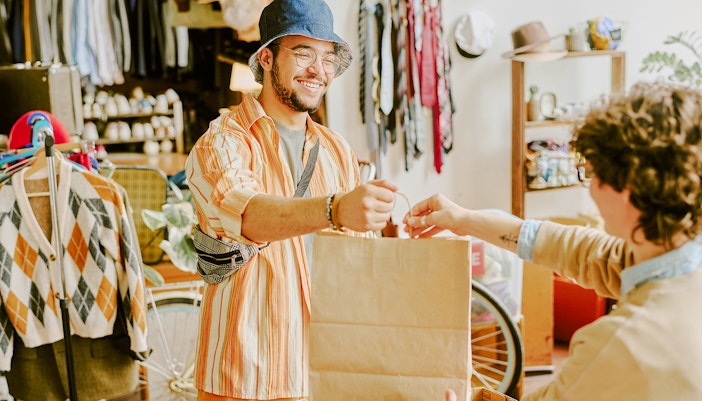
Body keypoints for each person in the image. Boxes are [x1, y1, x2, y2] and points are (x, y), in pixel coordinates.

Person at [405, 81, 702, 400]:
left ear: (628, 191)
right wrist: (462, 219)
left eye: (592, 175)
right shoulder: (674, 256)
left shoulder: (622, 343)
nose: (588, 188)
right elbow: (580, 250)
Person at [185, 0, 397, 400]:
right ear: (266, 57)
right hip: (246, 372)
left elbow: (358, 261)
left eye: (327, 58)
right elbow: (246, 215)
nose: (318, 70)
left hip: (323, 370)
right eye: (303, 54)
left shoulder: (337, 150)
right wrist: (333, 210)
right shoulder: (224, 140)